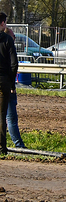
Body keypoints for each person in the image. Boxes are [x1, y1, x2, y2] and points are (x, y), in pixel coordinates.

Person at [0, 12, 18, 156]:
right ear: (2, 23)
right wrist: (12, 84)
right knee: (2, 115)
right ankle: (2, 147)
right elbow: (14, 64)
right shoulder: (7, 39)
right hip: (3, 80)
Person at [4, 27, 25, 148]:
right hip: (8, 85)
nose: (15, 38)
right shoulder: (9, 49)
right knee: (11, 117)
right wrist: (12, 85)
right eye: (13, 36)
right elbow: (14, 65)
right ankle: (18, 144)